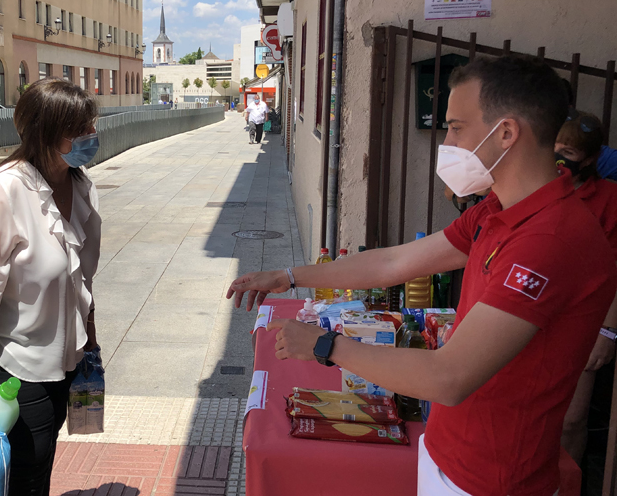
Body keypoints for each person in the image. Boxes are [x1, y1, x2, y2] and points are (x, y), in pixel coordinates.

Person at [226, 56, 617, 495]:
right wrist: (289, 275)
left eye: (455, 127)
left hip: (493, 479)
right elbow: (392, 263)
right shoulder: (498, 211)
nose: (446, 142)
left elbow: (447, 377)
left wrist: (324, 344)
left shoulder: (550, 240)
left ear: (506, 133)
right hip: (449, 453)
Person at [0, 78, 102, 495]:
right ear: (49, 133)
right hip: (20, 363)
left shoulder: (79, 183)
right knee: (27, 470)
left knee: (40, 464)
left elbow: (81, 276)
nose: (92, 135)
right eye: (82, 128)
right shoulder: (6, 191)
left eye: (92, 124)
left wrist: (90, 339)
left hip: (67, 357)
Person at [554, 111, 617, 495]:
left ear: (593, 158)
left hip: (583, 324)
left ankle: (567, 487)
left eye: (571, 152)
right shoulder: (537, 189)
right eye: (556, 149)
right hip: (530, 314)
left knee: (573, 420)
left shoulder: (610, 199)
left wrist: (608, 331)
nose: (561, 159)